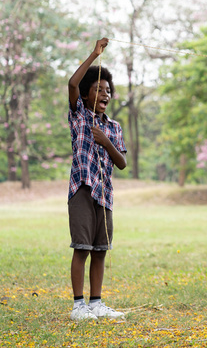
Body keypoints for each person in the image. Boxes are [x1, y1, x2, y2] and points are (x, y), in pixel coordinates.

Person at [67, 37, 127, 320]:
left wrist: (106, 142)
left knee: (100, 249)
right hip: (82, 189)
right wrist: (94, 53)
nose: (104, 94)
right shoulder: (79, 115)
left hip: (105, 194)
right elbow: (71, 84)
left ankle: (96, 304)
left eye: (107, 91)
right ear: (87, 95)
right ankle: (78, 306)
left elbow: (123, 162)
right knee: (82, 247)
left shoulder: (114, 127)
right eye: (97, 89)